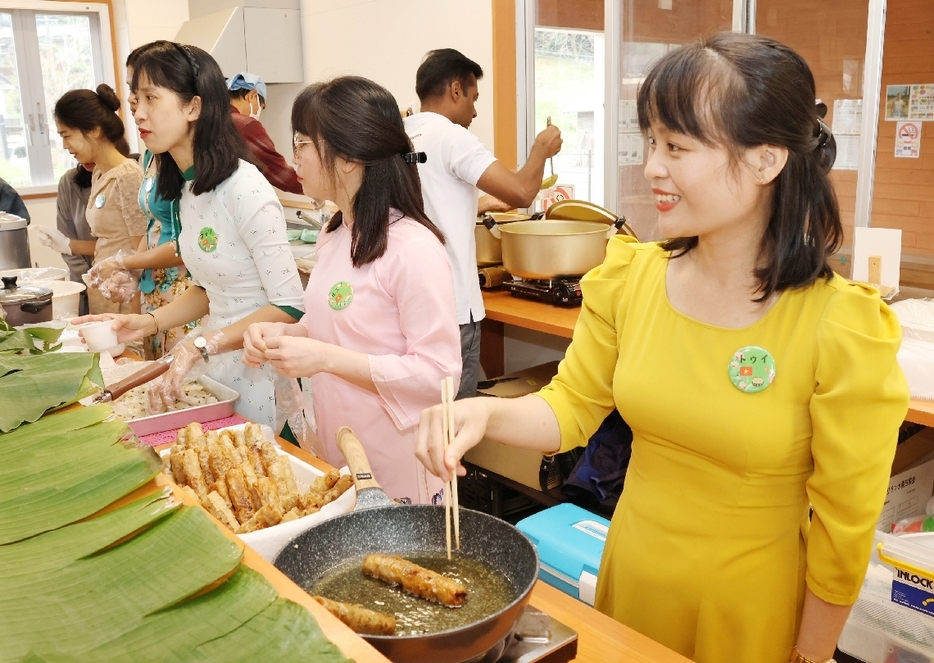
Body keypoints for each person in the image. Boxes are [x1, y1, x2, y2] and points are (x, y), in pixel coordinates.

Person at [417, 33, 909, 663]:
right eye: (651, 141)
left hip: (750, 610)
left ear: (767, 159)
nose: (652, 165)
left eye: (676, 146)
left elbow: (844, 531)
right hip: (633, 582)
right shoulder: (632, 278)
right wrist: (483, 411)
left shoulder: (841, 326)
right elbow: (569, 409)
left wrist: (811, 656)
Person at [243, 76, 461, 504]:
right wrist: (286, 336)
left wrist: (324, 357)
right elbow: (337, 327)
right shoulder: (336, 233)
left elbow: (440, 375)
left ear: (347, 158)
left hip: (398, 463)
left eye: (303, 144)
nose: (295, 157)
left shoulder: (413, 248)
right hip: (342, 450)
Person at [74, 42, 304, 429]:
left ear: (193, 107)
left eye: (151, 98)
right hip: (215, 361)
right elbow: (205, 288)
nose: (138, 112)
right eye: (135, 98)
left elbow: (289, 306)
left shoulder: (245, 187)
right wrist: (148, 324)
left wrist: (202, 344)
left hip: (260, 366)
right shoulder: (187, 188)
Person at [404, 48, 563, 399]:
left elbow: (422, 205)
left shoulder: (397, 137)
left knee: (420, 413)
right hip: (453, 306)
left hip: (407, 304)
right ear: (456, 89)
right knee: (455, 419)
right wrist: (540, 150)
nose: (475, 111)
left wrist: (478, 205)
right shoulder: (452, 137)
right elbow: (523, 192)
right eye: (473, 98)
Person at [86, 40, 196, 358]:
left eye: (148, 94)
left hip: (185, 291)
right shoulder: (151, 153)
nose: (135, 102)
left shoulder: (191, 160)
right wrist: (132, 273)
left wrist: (125, 261)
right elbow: (153, 226)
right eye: (134, 90)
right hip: (154, 290)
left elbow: (187, 245)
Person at [38, 85, 147, 316]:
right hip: (103, 289)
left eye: (67, 135)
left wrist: (123, 282)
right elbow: (111, 241)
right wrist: (68, 244)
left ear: (95, 130)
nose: (65, 146)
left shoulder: (127, 175)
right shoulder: (100, 173)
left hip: (125, 294)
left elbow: (141, 249)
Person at [227, 72, 303, 194]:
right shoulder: (244, 124)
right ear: (252, 95)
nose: (258, 112)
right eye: (260, 107)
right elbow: (279, 173)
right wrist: (311, 187)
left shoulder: (210, 119)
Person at [55, 165, 94, 316]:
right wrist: (88, 280)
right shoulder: (69, 181)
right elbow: (65, 239)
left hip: (125, 283)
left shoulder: (127, 174)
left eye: (68, 139)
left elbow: (126, 243)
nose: (66, 146)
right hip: (85, 285)